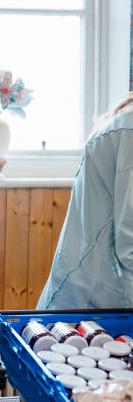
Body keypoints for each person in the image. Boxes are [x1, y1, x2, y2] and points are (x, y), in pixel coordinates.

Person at [37, 93, 133, 310]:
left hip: (90, 291)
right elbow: (130, 242)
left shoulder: (124, 124)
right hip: (91, 300)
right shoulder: (129, 131)